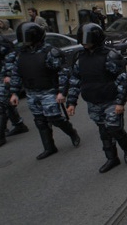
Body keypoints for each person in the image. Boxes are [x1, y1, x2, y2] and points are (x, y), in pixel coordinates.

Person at [66, 24, 127, 173]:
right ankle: (111, 158)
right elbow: (75, 81)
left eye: (88, 41)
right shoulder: (80, 57)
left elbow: (123, 80)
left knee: (115, 128)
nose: (85, 44)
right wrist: (71, 102)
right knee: (103, 130)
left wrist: (120, 102)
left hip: (111, 100)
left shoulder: (110, 56)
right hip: (93, 101)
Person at [9, 23, 80, 159]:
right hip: (31, 92)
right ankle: (49, 147)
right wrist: (14, 93)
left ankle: (72, 133)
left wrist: (62, 92)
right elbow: (16, 74)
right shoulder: (21, 54)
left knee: (55, 118)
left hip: (49, 91)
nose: (26, 42)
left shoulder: (50, 52)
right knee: (40, 121)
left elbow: (63, 73)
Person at [0, 34, 29, 145]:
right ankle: (19, 125)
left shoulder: (2, 41)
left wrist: (8, 74)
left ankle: (0, 136)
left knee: (1, 103)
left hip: (4, 76)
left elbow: (10, 56)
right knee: (7, 103)